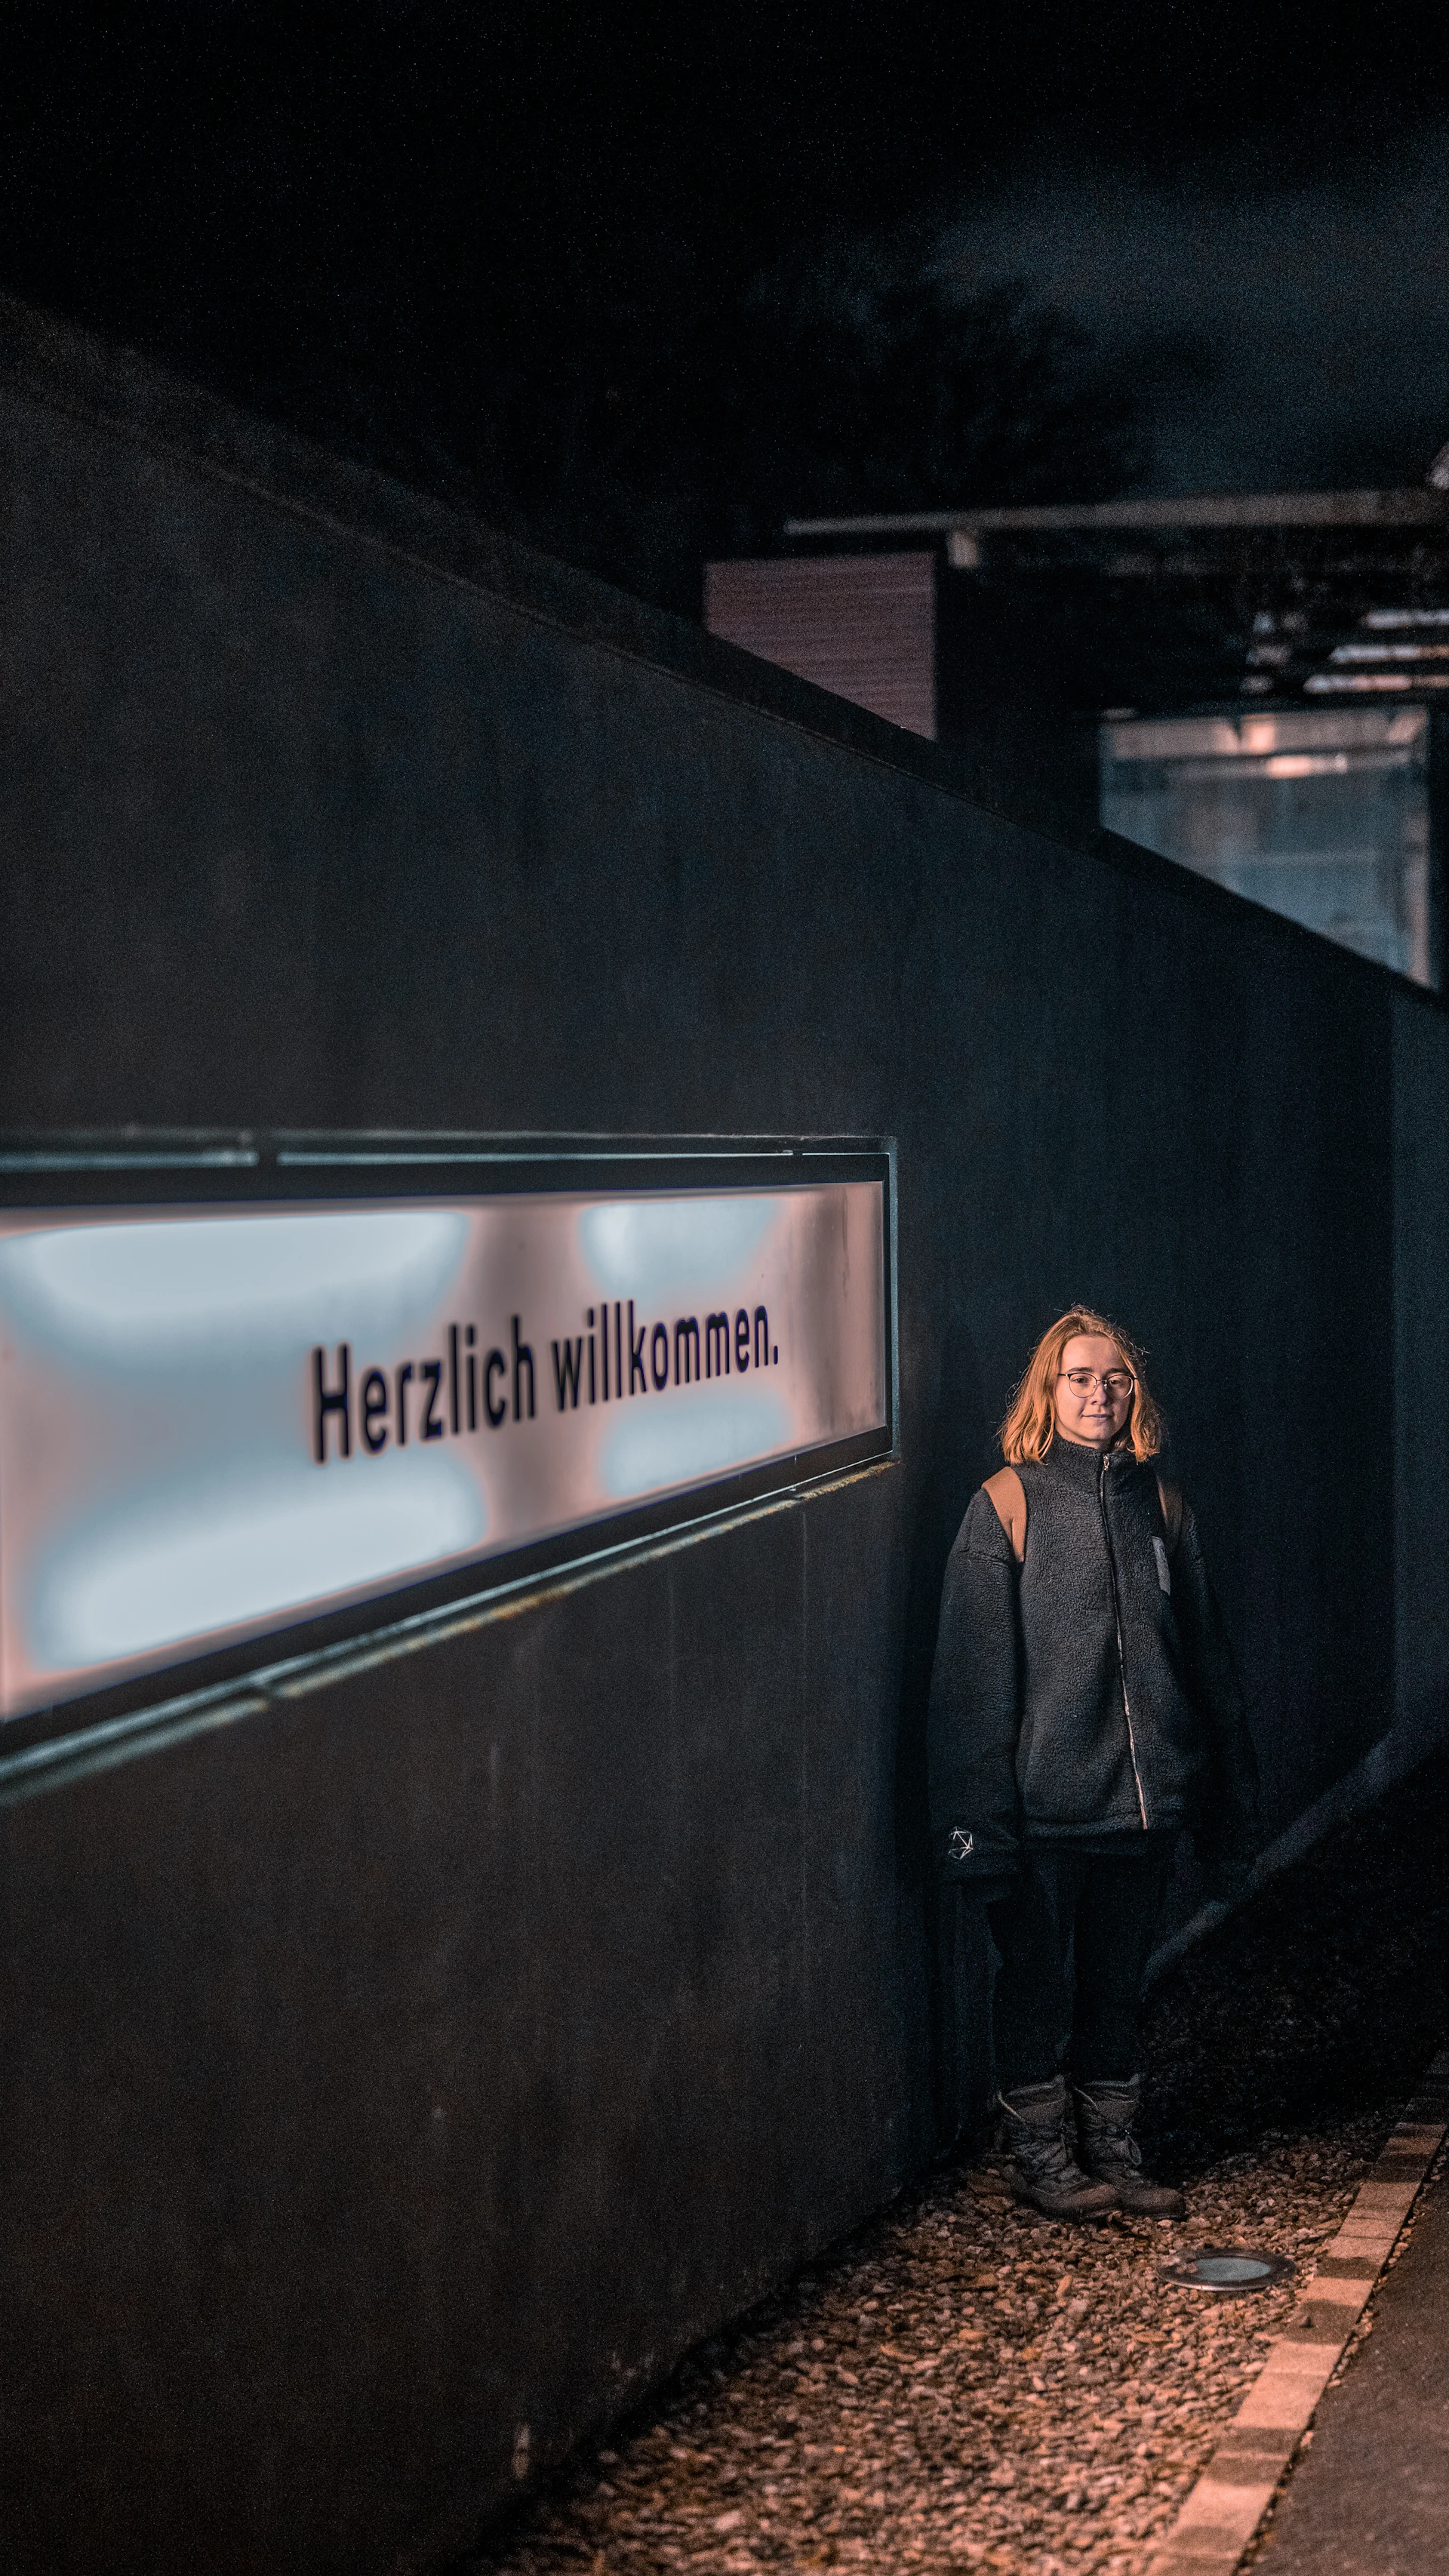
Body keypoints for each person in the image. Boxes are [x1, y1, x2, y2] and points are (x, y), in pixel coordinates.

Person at [928, 1307, 1259, 2220]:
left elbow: (1209, 1664)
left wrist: (1228, 1805)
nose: (1098, 1392)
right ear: (1048, 1387)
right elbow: (970, 1687)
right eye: (1078, 1376)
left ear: (1132, 1391)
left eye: (1113, 1377)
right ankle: (1040, 2154)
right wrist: (976, 1835)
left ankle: (1112, 2144)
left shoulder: (1161, 1504)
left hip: (1140, 1813)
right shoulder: (1005, 1504)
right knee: (1036, 1983)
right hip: (1040, 1819)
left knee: (1116, 1986)